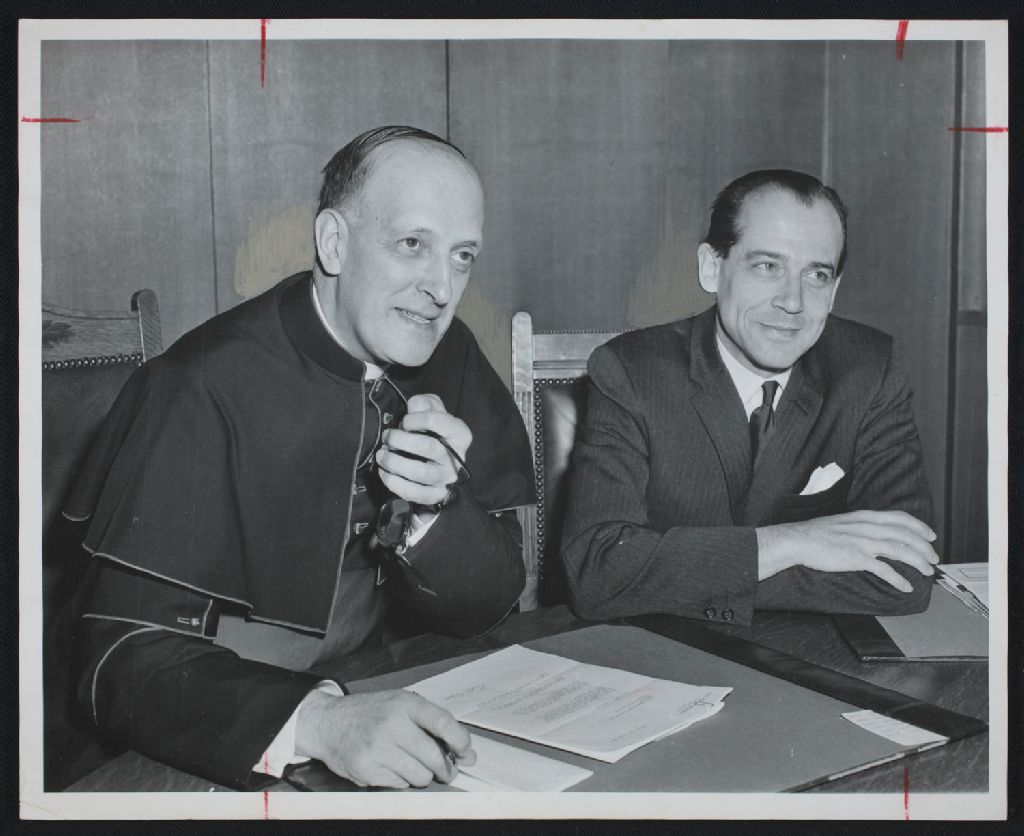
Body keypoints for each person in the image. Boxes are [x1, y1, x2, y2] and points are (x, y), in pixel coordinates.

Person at [64, 126, 533, 790]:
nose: (441, 287)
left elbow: (489, 604)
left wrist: (434, 511)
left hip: (370, 691)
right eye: (412, 244)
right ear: (334, 243)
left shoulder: (448, 353)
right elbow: (119, 660)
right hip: (200, 740)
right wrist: (317, 722)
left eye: (462, 256)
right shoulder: (196, 384)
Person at [562, 169, 938, 626]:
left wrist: (678, 574)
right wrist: (791, 542)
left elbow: (905, 575)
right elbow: (598, 573)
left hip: (807, 653)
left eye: (817, 274)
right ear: (712, 268)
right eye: (767, 266)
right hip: (658, 648)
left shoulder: (871, 370)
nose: (792, 301)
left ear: (835, 289)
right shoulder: (631, 371)